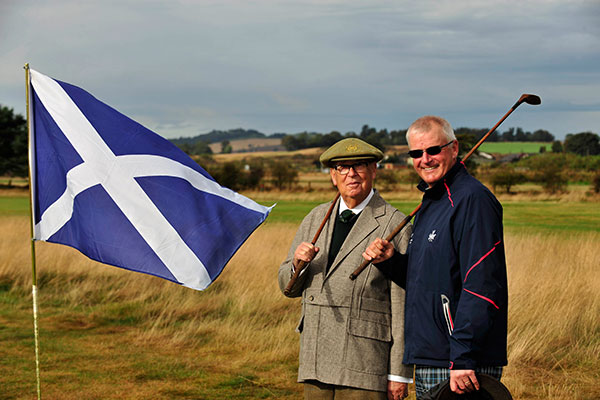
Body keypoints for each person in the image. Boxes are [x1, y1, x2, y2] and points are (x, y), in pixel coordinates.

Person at [363, 116, 508, 399]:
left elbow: (482, 284)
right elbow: (429, 279)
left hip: (459, 361)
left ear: (454, 149)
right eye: (416, 153)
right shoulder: (432, 202)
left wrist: (463, 357)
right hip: (433, 354)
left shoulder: (472, 200)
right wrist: (392, 261)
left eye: (433, 150)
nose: (425, 159)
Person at [279, 138, 413, 400]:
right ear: (332, 175)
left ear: (374, 170)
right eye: (342, 167)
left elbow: (403, 304)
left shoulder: (395, 224)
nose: (351, 173)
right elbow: (287, 288)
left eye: (359, 165)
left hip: (365, 365)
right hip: (315, 360)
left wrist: (399, 374)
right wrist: (297, 265)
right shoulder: (315, 218)